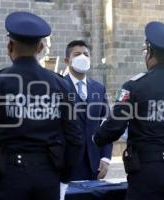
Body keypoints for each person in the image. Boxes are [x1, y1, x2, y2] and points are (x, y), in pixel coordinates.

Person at [0, 11, 82, 200]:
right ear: (40, 47)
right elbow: (75, 136)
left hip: (10, 176)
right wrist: (65, 175)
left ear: (9, 45)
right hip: (48, 174)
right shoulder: (61, 84)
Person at [93, 21, 164, 200]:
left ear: (150, 52)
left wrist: (97, 138)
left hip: (148, 171)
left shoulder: (135, 86)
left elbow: (114, 127)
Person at [64, 40, 112, 180]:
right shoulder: (58, 86)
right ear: (67, 60)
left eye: (86, 54)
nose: (82, 58)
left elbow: (106, 123)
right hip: (67, 163)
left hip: (94, 163)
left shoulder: (98, 88)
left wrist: (105, 157)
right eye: (77, 54)